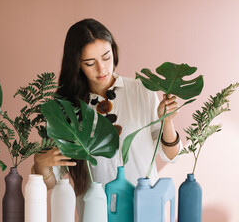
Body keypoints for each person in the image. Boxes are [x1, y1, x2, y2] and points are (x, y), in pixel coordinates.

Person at [32, 18, 182, 220]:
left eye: (106, 57)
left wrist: (167, 121)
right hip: (96, 214)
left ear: (114, 51)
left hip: (146, 212)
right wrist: (40, 163)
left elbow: (170, 155)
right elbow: (51, 181)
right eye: (90, 63)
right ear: (76, 64)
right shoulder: (66, 108)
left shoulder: (142, 90)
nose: (101, 69)